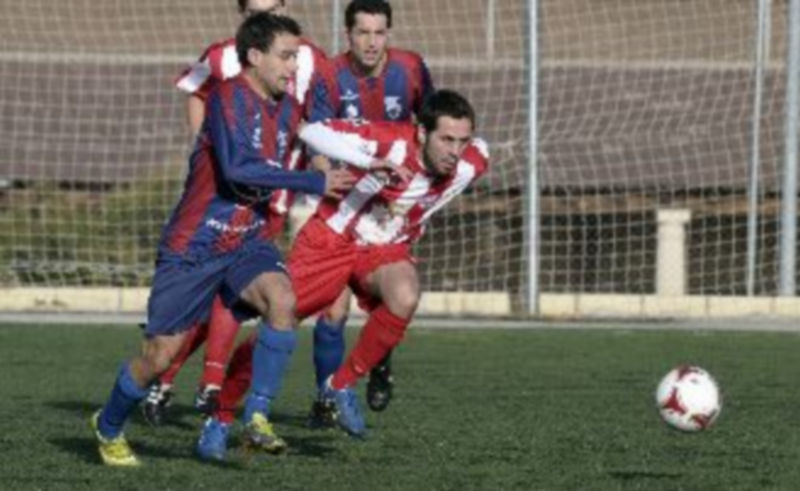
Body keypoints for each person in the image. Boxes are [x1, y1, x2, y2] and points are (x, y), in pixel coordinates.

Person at [89, 13, 357, 466]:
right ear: (255, 56)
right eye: (286, 56)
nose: (294, 67)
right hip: (193, 246)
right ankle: (109, 424)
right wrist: (313, 183)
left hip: (246, 240)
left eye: (297, 56)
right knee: (159, 356)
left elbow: (322, 138)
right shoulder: (226, 97)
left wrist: (357, 163)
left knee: (282, 300)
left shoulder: (289, 106)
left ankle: (256, 414)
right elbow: (236, 169)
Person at [196, 89, 490, 460]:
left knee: (405, 296)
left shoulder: (470, 164)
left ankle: (339, 385)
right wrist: (367, 160)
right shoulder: (387, 140)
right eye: (446, 139)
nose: (454, 150)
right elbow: (312, 131)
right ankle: (220, 418)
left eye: (462, 141)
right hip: (331, 239)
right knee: (276, 326)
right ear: (420, 132)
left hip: (384, 247)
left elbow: (482, 148)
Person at [144, 0, 338, 425]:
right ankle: (174, 379)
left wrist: (321, 174)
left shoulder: (308, 59)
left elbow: (320, 122)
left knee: (255, 294)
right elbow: (196, 88)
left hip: (279, 192)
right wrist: (204, 145)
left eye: (266, 8)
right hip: (224, 192)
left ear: (285, 7)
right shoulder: (220, 55)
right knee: (215, 294)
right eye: (251, 11)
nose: (258, 16)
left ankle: (215, 389)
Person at [307, 0, 436, 425]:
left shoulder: (412, 69)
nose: (371, 41)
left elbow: (431, 130)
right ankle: (326, 399)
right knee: (332, 307)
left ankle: (379, 361)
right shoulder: (328, 74)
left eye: (380, 32)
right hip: (342, 202)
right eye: (363, 32)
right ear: (348, 35)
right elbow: (318, 139)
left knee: (392, 294)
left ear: (389, 34)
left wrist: (419, 191)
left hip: (390, 206)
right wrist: (329, 184)